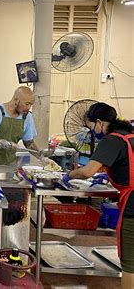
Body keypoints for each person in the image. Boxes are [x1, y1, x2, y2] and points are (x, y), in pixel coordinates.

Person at [64, 102, 133, 289]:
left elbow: (87, 172)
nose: (91, 131)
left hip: (133, 206)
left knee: (130, 265)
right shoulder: (130, 135)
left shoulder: (111, 140)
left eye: (90, 126)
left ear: (100, 123)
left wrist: (69, 175)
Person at [0, 86, 44, 166]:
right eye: (27, 104)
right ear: (16, 100)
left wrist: (42, 157)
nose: (28, 108)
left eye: (31, 104)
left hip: (8, 165)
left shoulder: (27, 117)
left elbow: (29, 143)